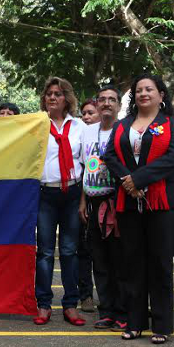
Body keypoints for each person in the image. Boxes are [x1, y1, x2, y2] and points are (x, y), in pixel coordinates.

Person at [102, 74, 174, 344]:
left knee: (160, 262)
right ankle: (135, 322)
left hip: (162, 202)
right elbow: (110, 155)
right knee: (132, 263)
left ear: (161, 95)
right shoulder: (122, 125)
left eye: (150, 89)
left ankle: (161, 325)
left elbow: (173, 158)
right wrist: (128, 182)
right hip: (128, 202)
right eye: (139, 90)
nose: (143, 94)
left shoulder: (173, 125)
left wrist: (138, 179)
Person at [34, 77, 87, 327]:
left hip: (73, 194)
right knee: (44, 252)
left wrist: (84, 200)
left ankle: (70, 305)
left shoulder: (79, 127)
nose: (52, 98)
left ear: (67, 98)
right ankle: (44, 304)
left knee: (69, 251)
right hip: (45, 195)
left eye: (58, 94)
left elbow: (90, 164)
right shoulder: (35, 125)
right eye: (49, 94)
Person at [79, 85, 127, 331]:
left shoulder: (125, 130)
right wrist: (83, 201)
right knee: (99, 260)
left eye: (112, 99)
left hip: (117, 202)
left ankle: (122, 312)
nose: (106, 103)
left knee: (119, 260)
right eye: (102, 99)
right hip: (93, 202)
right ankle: (106, 311)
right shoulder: (86, 132)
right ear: (96, 104)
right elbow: (84, 168)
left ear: (119, 105)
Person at [77, 98, 99, 312]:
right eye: (83, 113)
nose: (86, 117)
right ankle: (86, 295)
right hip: (85, 200)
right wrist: (83, 201)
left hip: (109, 203)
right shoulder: (82, 135)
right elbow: (83, 171)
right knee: (83, 250)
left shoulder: (116, 132)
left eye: (91, 112)